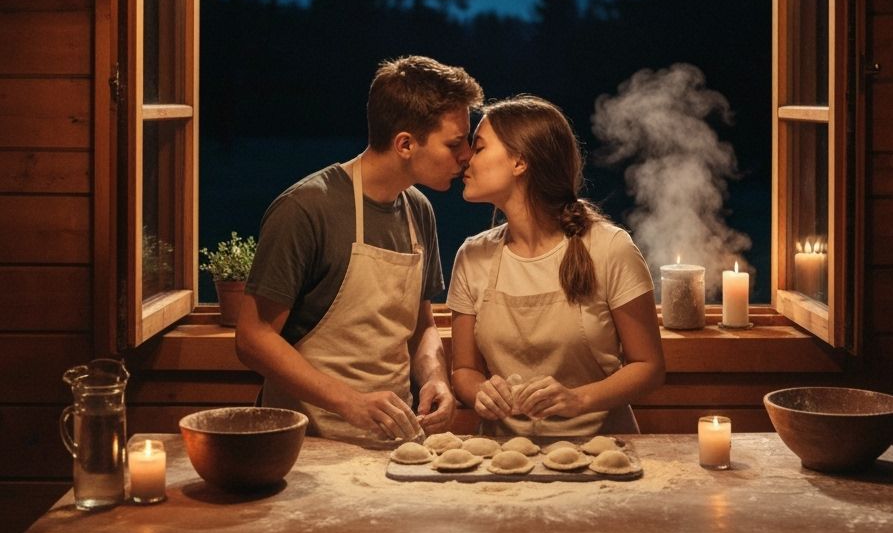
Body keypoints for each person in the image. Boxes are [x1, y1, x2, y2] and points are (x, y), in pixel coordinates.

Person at [235, 55, 484, 446]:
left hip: (395, 444)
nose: (467, 154)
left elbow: (421, 326)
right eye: (455, 143)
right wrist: (349, 403)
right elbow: (253, 338)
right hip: (307, 446)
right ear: (405, 144)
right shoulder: (306, 209)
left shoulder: (419, 210)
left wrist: (436, 379)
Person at [447, 95, 665, 437]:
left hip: (604, 454)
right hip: (502, 458)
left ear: (520, 161)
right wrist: (480, 393)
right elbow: (464, 370)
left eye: (479, 148)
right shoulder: (472, 256)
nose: (465, 162)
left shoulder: (610, 248)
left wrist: (577, 400)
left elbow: (649, 367)